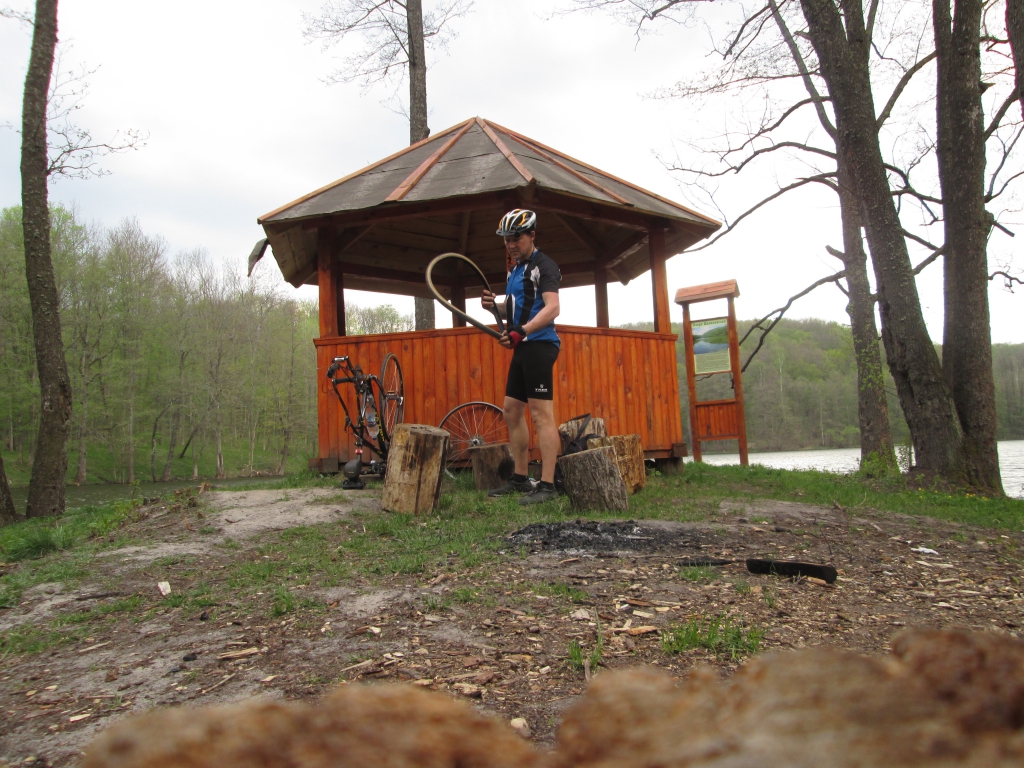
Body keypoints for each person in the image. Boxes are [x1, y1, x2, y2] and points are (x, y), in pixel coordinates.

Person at [481, 209, 562, 505]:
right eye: (506, 240)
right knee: (512, 410)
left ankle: (548, 485)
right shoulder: (514, 270)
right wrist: (494, 306)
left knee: (541, 415)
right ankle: (520, 478)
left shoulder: (544, 266)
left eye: (516, 238)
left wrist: (523, 331)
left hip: (540, 345)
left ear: (531, 235)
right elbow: (514, 309)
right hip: (523, 346)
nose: (511, 245)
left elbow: (552, 307)